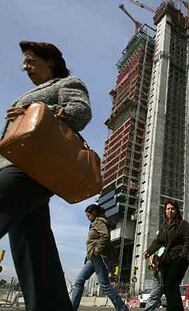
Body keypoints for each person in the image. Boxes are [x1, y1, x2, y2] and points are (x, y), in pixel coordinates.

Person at [0, 40, 91, 311]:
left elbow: (80, 113)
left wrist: (35, 111)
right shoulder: (31, 92)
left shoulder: (67, 83)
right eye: (24, 63)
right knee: (33, 248)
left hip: (35, 167)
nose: (25, 67)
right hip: (14, 163)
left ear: (49, 61)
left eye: (31, 61)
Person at [71, 204, 129, 311]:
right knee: (79, 281)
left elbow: (105, 236)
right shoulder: (94, 223)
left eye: (88, 215)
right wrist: (90, 255)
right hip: (93, 258)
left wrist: (96, 251)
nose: (87, 217)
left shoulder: (100, 222)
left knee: (105, 285)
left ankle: (122, 308)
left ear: (93, 213)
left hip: (99, 257)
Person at [144, 200, 189, 311]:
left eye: (172, 208)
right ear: (165, 211)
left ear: (176, 210)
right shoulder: (164, 226)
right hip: (166, 260)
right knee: (168, 287)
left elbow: (188, 239)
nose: (170, 211)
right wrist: (149, 251)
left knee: (171, 284)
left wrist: (183, 255)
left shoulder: (182, 224)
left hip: (178, 258)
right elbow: (158, 241)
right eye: (168, 209)